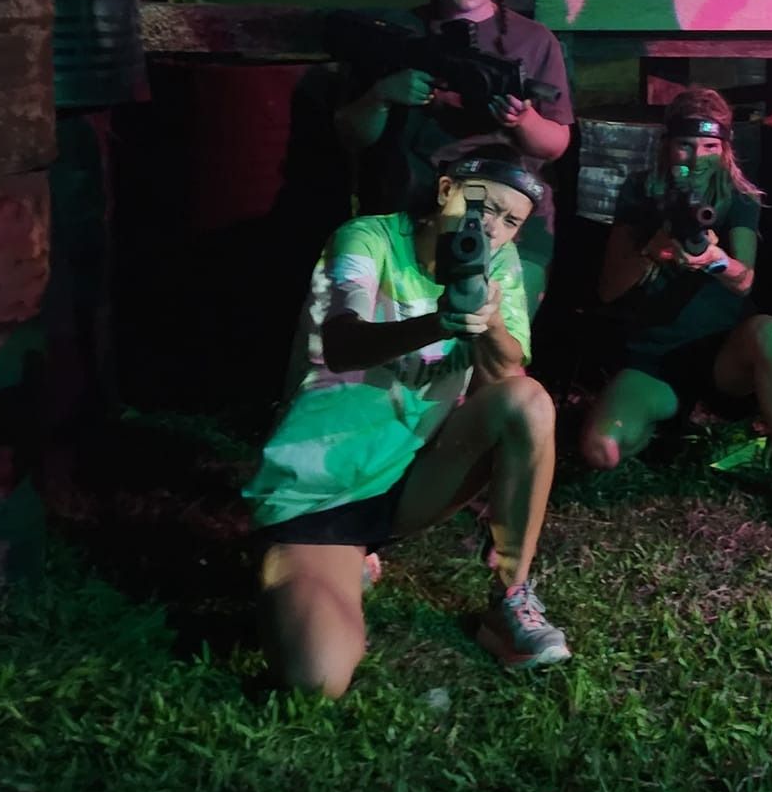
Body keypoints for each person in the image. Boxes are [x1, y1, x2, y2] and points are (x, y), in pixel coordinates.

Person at [244, 151, 569, 696]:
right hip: (318, 493)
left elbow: (505, 373)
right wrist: (439, 322)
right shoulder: (367, 239)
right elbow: (343, 344)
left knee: (528, 402)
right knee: (316, 680)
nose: (491, 228)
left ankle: (510, 598)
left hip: (407, 483)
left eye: (511, 221)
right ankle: (317, 569)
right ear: (445, 191)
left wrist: (486, 317)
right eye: (482, 207)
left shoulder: (498, 263)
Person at [578, 87, 772, 549]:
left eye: (710, 146)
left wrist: (714, 260)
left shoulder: (738, 196)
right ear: (667, 145)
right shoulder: (640, 192)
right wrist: (652, 249)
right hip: (656, 361)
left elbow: (745, 281)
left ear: (725, 148)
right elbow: (608, 288)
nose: (697, 157)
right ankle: (669, 430)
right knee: (600, 450)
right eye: (686, 145)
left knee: (768, 331)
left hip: (720, 357)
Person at [335, 0, 574, 308]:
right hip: (408, 213)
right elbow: (352, 133)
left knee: (498, 334)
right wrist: (382, 95)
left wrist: (523, 119)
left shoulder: (534, 40)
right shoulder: (397, 35)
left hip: (505, 219)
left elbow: (554, 145)